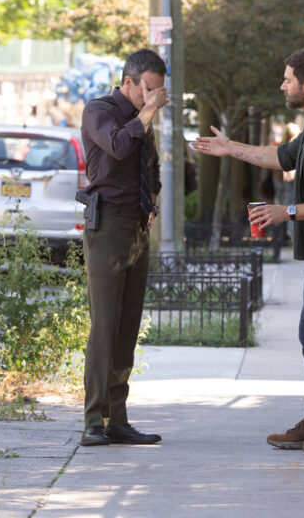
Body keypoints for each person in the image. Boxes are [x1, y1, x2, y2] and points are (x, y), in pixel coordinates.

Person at [192, 49, 304, 455]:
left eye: (288, 79)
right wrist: (230, 148)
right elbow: (282, 157)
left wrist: (286, 212)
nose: (283, 85)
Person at [79, 49, 170, 447]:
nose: (153, 98)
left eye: (159, 93)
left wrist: (152, 202)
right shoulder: (99, 111)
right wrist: (147, 113)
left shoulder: (141, 119)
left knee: (127, 328)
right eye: (149, 90)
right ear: (129, 81)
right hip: (108, 227)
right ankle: (92, 422)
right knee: (105, 327)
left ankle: (118, 419)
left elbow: (150, 167)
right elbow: (117, 147)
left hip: (136, 225)